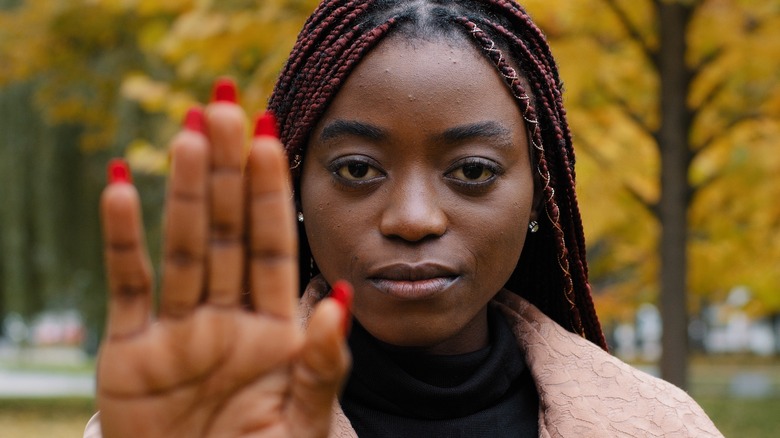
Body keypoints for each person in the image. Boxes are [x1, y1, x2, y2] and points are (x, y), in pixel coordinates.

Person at [86, 1, 723, 436]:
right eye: (358, 169)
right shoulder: (189, 421)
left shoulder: (663, 425)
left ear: (540, 196)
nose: (413, 219)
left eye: (472, 171)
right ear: (298, 188)